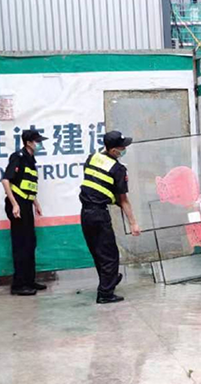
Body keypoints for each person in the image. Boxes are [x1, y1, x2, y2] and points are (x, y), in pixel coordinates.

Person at [80, 130, 140, 304]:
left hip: (85, 214)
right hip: (99, 215)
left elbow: (97, 185)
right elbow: (123, 200)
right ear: (113, 150)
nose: (124, 150)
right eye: (122, 148)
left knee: (98, 253)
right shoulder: (118, 169)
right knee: (110, 255)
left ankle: (109, 280)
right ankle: (105, 294)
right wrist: (133, 223)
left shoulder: (92, 158)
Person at [1, 130, 48, 296]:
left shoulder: (31, 159)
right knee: (21, 244)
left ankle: (29, 280)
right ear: (28, 142)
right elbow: (5, 180)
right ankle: (19, 285)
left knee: (30, 243)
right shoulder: (18, 157)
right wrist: (14, 204)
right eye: (37, 141)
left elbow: (28, 185)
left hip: (27, 204)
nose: (40, 144)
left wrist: (36, 203)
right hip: (18, 206)